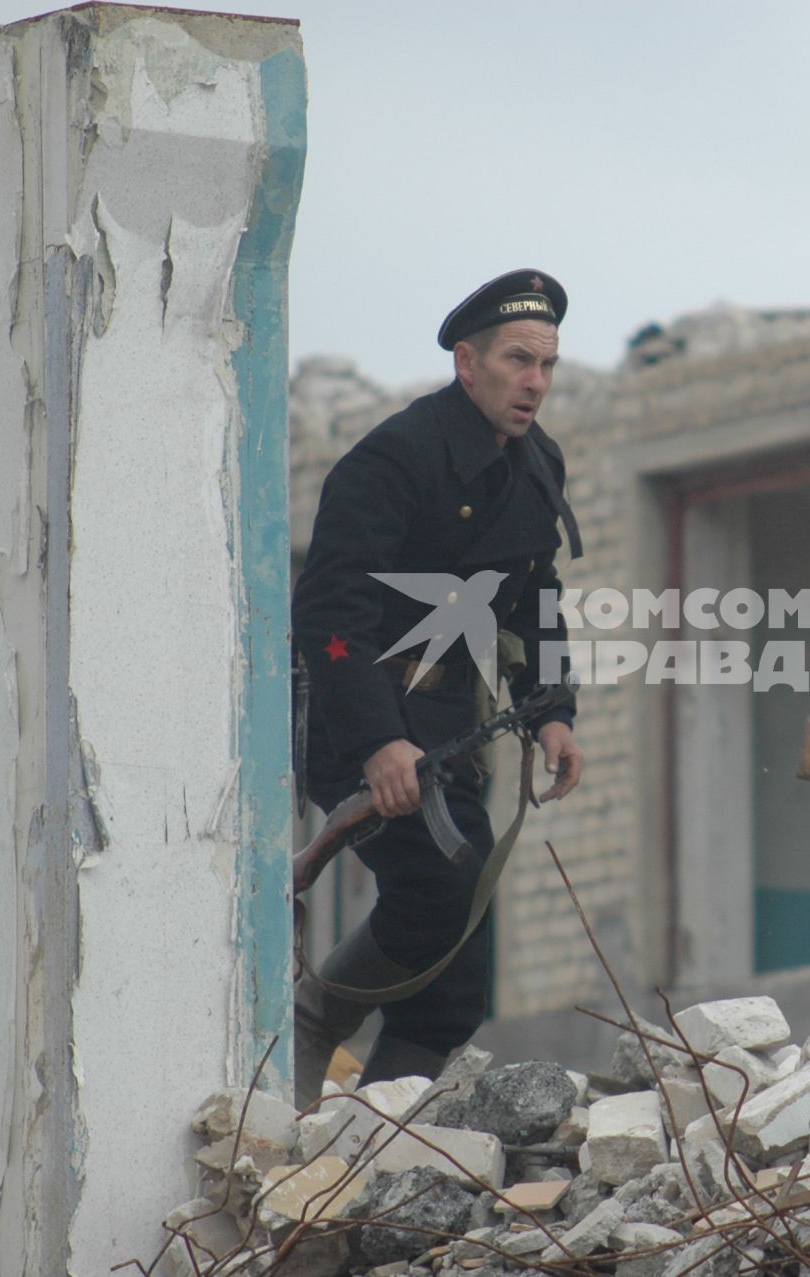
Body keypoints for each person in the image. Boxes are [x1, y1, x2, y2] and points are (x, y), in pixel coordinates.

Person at [290, 269, 585, 1105]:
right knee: (438, 884)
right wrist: (378, 741)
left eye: (548, 365)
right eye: (518, 360)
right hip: (355, 713)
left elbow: (538, 598)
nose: (535, 382)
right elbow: (331, 613)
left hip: (453, 719)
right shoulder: (394, 458)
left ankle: (376, 1141)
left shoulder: (536, 464)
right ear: (467, 362)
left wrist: (553, 712)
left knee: (460, 974)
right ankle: (315, 1018)